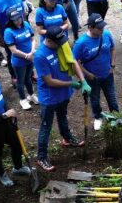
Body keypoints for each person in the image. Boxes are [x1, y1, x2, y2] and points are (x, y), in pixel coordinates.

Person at [33, 26, 88, 171]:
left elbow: (73, 61)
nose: (62, 43)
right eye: (59, 41)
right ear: (49, 40)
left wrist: (83, 80)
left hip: (64, 94)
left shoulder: (61, 44)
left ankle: (67, 138)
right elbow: (49, 81)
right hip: (49, 98)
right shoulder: (40, 56)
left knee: (63, 116)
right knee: (46, 127)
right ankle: (41, 157)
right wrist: (71, 83)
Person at [74, 13, 119, 130]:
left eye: (103, 27)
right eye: (99, 28)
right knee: (95, 99)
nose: (102, 30)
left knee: (112, 98)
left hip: (108, 74)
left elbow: (113, 48)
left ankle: (117, 118)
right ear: (90, 27)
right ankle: (98, 117)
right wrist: (87, 74)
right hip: (93, 78)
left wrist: (112, 65)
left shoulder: (107, 34)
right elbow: (76, 62)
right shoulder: (81, 43)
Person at [4, 6, 37, 109]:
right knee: (20, 80)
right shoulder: (8, 31)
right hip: (19, 61)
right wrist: (27, 56)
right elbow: (13, 50)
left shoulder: (26, 24)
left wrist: (31, 52)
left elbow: (33, 39)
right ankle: (23, 100)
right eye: (15, 20)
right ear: (10, 20)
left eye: (19, 18)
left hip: (30, 58)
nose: (18, 21)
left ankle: (31, 95)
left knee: (28, 78)